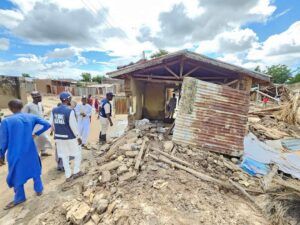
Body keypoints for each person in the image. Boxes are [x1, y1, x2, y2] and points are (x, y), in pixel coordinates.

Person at [0, 99, 51, 210]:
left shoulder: (6, 121)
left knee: (17, 174)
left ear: (11, 108)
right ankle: (39, 189)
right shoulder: (30, 117)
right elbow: (47, 124)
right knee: (35, 169)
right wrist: (35, 134)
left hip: (15, 152)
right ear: (21, 107)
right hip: (31, 150)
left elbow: (3, 141)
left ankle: (20, 197)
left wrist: (1, 154)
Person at [50, 92, 83, 181]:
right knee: (77, 154)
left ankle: (68, 176)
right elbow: (74, 126)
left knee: (64, 156)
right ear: (68, 99)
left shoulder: (54, 110)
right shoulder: (69, 111)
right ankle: (76, 172)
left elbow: (51, 123)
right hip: (70, 137)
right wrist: (78, 137)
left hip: (59, 137)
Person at [22, 91, 52, 157]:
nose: (40, 98)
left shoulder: (40, 104)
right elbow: (24, 115)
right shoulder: (28, 106)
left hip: (42, 125)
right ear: (34, 98)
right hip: (34, 126)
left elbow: (42, 112)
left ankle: (43, 152)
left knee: (43, 138)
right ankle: (35, 154)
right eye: (38, 97)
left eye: (40, 96)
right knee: (35, 140)